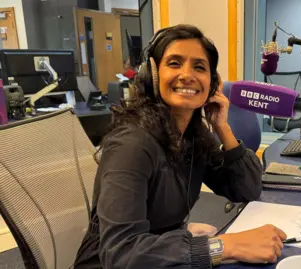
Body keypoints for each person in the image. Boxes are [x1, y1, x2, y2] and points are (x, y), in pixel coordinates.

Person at [74, 24, 287, 269]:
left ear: (213, 83)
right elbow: (121, 253)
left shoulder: (192, 137)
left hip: (161, 257)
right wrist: (226, 246)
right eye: (174, 63)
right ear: (153, 75)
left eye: (199, 67)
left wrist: (222, 127)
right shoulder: (131, 144)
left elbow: (248, 189)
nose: (188, 75)